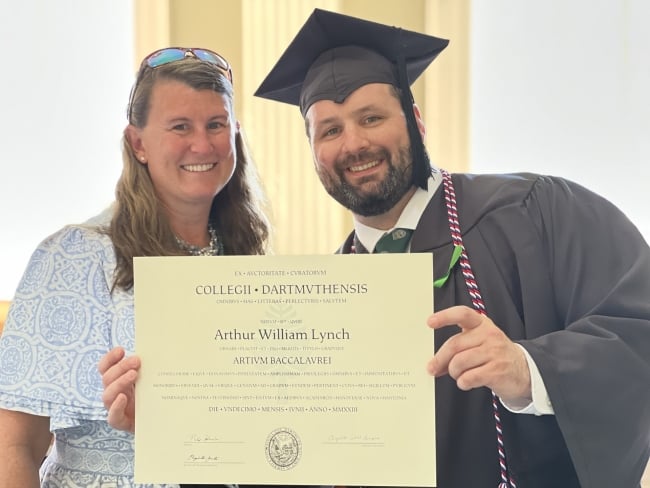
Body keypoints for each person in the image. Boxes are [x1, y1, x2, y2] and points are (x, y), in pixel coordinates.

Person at [100, 9, 650, 488]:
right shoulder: (323, 299)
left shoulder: (536, 212)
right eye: (330, 130)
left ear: (416, 122)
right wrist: (179, 420)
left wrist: (531, 370)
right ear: (313, 152)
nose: (354, 143)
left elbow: (639, 329)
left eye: (371, 118)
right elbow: (293, 456)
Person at [0, 46, 271, 487]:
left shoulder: (248, 261)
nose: (202, 144)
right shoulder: (73, 256)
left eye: (216, 125)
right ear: (138, 143)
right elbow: (12, 446)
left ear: (235, 135)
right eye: (180, 127)